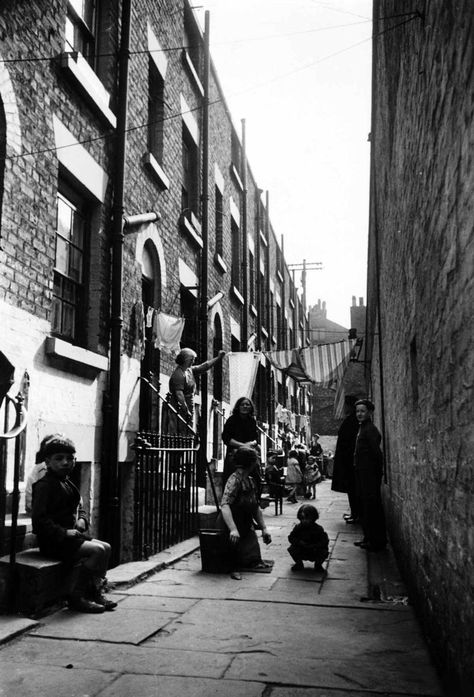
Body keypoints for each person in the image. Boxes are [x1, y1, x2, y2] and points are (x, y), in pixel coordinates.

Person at [31, 435, 117, 613]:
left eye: (70, 458)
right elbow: (39, 521)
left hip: (70, 538)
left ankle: (94, 592)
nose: (65, 462)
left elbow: (80, 505)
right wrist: (63, 533)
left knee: (106, 547)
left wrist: (82, 519)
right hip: (53, 542)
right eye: (59, 458)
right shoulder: (44, 486)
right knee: (97, 551)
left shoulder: (67, 483)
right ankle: (77, 597)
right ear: (47, 461)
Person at [217, 446, 272, 580]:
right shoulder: (234, 480)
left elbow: (254, 507)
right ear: (251, 463)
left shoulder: (250, 481)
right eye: (256, 459)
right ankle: (232, 567)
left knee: (252, 558)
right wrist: (233, 529)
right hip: (230, 522)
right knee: (231, 555)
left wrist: (264, 528)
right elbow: (225, 505)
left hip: (245, 522)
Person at [352, 399, 387, 552]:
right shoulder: (363, 428)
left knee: (372, 508)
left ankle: (376, 541)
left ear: (370, 413)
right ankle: (368, 538)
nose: (359, 414)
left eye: (362, 411)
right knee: (366, 508)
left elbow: (377, 454)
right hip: (363, 475)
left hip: (369, 476)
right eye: (357, 411)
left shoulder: (370, 430)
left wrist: (376, 475)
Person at [167, 347, 225, 433]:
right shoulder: (178, 374)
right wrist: (186, 410)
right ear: (186, 359)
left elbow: (204, 366)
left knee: (188, 430)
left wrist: (218, 358)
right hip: (180, 406)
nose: (193, 361)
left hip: (189, 404)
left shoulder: (189, 370)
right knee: (180, 430)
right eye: (192, 359)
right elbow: (179, 394)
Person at [331, 395, 360, 524]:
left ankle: (356, 514)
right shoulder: (351, 420)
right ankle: (354, 513)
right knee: (351, 489)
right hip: (348, 462)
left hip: (350, 462)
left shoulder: (353, 421)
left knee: (353, 489)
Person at [222, 397, 260, 487]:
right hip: (235, 455)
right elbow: (226, 438)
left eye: (247, 404)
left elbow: (255, 439)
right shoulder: (232, 420)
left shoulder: (252, 421)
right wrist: (243, 445)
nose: (245, 406)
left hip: (249, 454)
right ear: (238, 407)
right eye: (242, 404)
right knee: (233, 482)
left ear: (251, 407)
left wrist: (252, 443)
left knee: (255, 478)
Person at [288, 503, 329, 572]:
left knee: (324, 552)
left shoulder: (318, 529)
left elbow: (324, 541)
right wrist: (299, 542)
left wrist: (315, 545)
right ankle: (299, 564)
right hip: (302, 549)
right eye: (302, 518)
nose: (304, 521)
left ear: (313, 518)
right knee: (292, 549)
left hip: (315, 550)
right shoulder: (298, 527)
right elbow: (291, 537)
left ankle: (318, 565)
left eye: (307, 518)